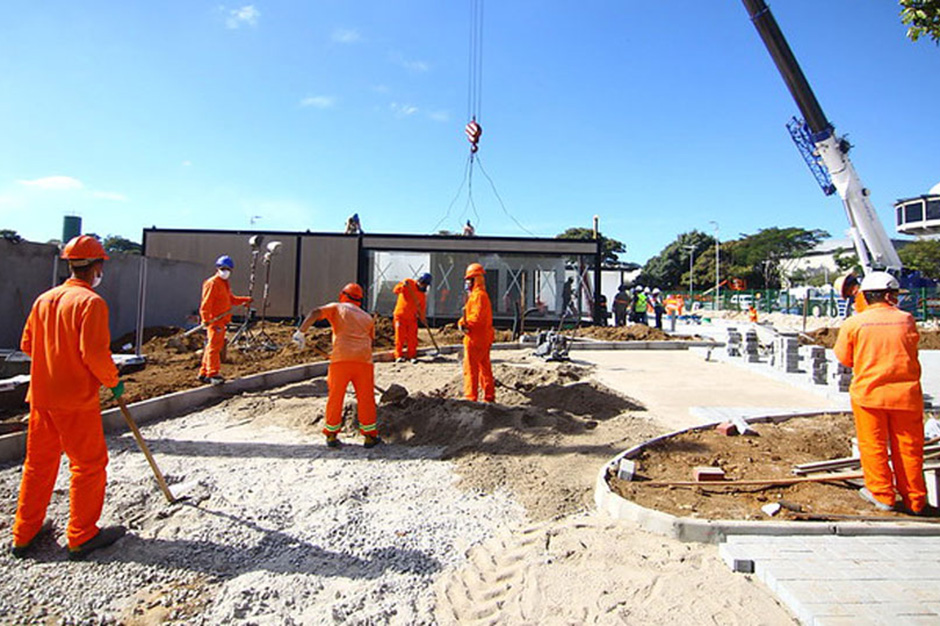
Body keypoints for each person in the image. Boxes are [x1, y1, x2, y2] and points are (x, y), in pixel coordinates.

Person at [12, 235, 127, 560]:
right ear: (97, 266)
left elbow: (27, 346)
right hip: (75, 400)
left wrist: (55, 358)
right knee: (88, 466)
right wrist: (113, 382)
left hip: (42, 398)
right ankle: (81, 535)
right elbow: (94, 354)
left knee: (38, 465)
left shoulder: (44, 300)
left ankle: (25, 533)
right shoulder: (91, 303)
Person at [834, 271, 926, 514]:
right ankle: (915, 500)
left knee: (873, 445)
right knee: (909, 449)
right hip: (906, 396)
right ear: (889, 295)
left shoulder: (854, 323)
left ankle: (882, 494)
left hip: (869, 395)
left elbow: (844, 357)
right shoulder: (906, 319)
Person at [292, 283, 379, 448]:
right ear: (360, 300)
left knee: (336, 396)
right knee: (366, 398)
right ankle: (369, 437)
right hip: (363, 362)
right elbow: (371, 340)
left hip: (340, 361)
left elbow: (315, 313)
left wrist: (301, 332)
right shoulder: (367, 317)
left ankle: (331, 435)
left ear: (342, 295)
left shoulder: (337, 307)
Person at [198, 255, 251, 385]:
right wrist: (205, 318)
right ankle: (213, 374)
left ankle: (204, 372)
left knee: (212, 346)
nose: (225, 271)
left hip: (221, 320)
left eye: (228, 269)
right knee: (215, 348)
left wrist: (245, 300)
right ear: (217, 268)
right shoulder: (212, 283)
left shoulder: (224, 284)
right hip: (214, 321)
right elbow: (206, 303)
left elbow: (231, 300)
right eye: (223, 268)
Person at [459, 263, 494, 402]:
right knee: (484, 368)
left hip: (475, 338)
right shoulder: (477, 295)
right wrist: (463, 321)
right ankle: (489, 396)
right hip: (483, 337)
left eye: (469, 280)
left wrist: (465, 324)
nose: (467, 283)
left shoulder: (478, 296)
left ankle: (471, 397)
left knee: (471, 369)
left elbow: (476, 317)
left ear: (474, 279)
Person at [392, 273, 431, 362]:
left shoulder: (422, 295)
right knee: (400, 337)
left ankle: (412, 356)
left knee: (412, 338)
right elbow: (395, 290)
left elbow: (422, 308)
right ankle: (398, 355)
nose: (423, 285)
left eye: (425, 284)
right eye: (423, 283)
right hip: (400, 316)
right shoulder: (408, 283)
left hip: (412, 318)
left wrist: (423, 318)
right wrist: (402, 285)